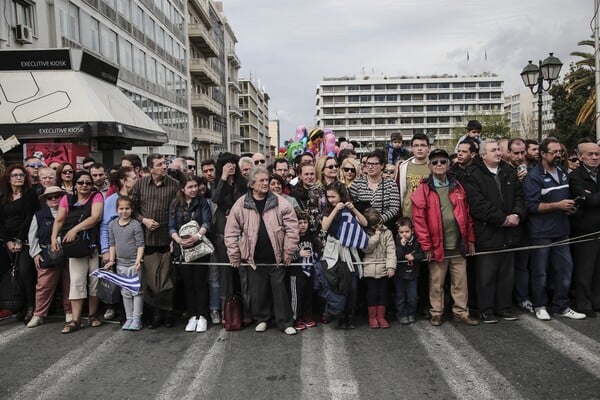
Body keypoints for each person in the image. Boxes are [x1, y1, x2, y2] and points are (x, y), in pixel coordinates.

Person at [224, 166, 299, 335]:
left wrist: (288, 252)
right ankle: (263, 319)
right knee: (258, 292)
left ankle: (285, 322)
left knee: (280, 290)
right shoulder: (241, 203)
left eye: (267, 180)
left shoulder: (280, 202)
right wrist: (234, 254)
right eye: (262, 181)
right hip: (254, 258)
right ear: (252, 184)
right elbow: (231, 231)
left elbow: (292, 229)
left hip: (276, 256)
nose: (266, 184)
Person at [411, 148, 479, 327]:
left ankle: (461, 312)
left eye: (443, 162)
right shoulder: (423, 189)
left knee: (460, 282)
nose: (439, 165)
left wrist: (470, 239)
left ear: (449, 165)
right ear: (429, 166)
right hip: (437, 245)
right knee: (436, 282)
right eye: (435, 162)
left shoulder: (457, 185)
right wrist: (426, 246)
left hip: (458, 243)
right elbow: (419, 221)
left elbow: (467, 215)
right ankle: (437, 312)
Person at [522, 137, 586, 321]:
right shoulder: (533, 177)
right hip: (540, 232)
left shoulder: (563, 173)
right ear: (543, 154)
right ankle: (540, 305)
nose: (558, 155)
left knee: (565, 269)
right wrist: (557, 205)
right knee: (540, 271)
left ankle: (561, 306)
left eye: (560, 152)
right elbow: (531, 206)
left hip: (561, 230)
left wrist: (570, 207)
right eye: (554, 152)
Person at [464, 140, 524, 323]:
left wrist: (516, 214)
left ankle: (504, 308)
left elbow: (520, 197)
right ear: (483, 154)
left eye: (499, 149)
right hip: (487, 232)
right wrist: (502, 219)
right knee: (486, 274)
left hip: (510, 233)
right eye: (493, 150)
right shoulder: (473, 174)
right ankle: (486, 309)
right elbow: (477, 204)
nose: (498, 153)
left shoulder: (509, 171)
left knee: (507, 274)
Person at [51, 170, 104, 333]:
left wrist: (74, 229)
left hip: (92, 246)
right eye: (81, 182)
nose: (84, 185)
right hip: (74, 247)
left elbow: (96, 217)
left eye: (88, 183)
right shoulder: (67, 198)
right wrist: (53, 238)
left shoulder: (96, 196)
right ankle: (75, 320)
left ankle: (93, 315)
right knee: (76, 282)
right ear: (75, 184)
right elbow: (59, 220)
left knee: (94, 281)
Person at [130, 154, 180, 328]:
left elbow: (178, 211)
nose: (164, 167)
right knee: (151, 280)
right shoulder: (141, 184)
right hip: (148, 239)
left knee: (167, 279)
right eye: (159, 165)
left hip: (168, 238)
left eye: (165, 164)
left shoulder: (174, 184)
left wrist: (175, 235)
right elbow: (132, 208)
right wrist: (144, 220)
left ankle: (168, 314)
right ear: (150, 169)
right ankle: (156, 314)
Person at [321, 181, 368, 329]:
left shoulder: (350, 208)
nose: (330, 199)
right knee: (338, 285)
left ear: (341, 195)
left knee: (353, 286)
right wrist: (335, 210)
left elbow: (364, 223)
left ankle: (350, 316)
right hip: (334, 252)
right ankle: (338, 315)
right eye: (328, 197)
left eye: (333, 196)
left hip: (349, 251)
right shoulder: (328, 209)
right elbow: (324, 227)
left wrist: (353, 209)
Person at [169, 175, 212, 332]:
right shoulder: (175, 204)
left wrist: (198, 236)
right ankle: (192, 315)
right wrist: (178, 240)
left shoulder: (203, 202)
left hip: (200, 247)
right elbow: (171, 226)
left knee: (200, 282)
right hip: (182, 248)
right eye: (190, 187)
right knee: (188, 283)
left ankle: (203, 315)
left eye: (195, 186)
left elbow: (207, 221)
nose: (194, 190)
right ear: (182, 188)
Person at [27, 186, 72, 327]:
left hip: (69, 252)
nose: (53, 199)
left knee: (70, 284)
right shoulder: (39, 215)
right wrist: (35, 253)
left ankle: (69, 311)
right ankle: (38, 314)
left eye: (56, 196)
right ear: (45, 200)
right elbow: (32, 236)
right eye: (49, 197)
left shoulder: (70, 212)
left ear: (62, 197)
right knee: (43, 286)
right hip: (47, 254)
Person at [0, 164, 39, 322]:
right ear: (9, 179)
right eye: (15, 175)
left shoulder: (30, 195)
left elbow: (30, 219)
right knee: (7, 274)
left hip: (25, 241)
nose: (19, 178)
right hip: (6, 242)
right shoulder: (3, 197)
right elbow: (1, 222)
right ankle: (13, 306)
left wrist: (18, 240)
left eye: (21, 175)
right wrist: (7, 240)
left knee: (25, 272)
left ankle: (31, 306)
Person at [212, 153, 248, 321]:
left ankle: (246, 311)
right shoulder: (218, 183)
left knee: (243, 274)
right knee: (225, 274)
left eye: (233, 163)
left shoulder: (243, 184)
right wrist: (224, 178)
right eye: (227, 164)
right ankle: (227, 312)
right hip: (222, 234)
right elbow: (216, 199)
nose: (231, 166)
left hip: (242, 232)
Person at [569, 140, 600, 317]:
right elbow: (584, 200)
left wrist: (592, 197)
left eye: (597, 154)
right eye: (590, 154)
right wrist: (589, 198)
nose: (595, 157)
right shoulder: (575, 176)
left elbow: (591, 199)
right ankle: (583, 302)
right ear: (580, 156)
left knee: (598, 269)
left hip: (599, 228)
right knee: (585, 269)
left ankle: (597, 301)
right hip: (584, 229)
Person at [105, 196, 144, 331]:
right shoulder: (112, 225)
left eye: (127, 208)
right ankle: (129, 317)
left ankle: (137, 318)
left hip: (134, 264)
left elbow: (140, 244)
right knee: (125, 292)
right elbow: (112, 244)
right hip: (121, 264)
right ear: (117, 210)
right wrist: (111, 260)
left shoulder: (135, 225)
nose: (124, 211)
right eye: (121, 209)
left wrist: (138, 260)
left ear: (131, 209)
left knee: (136, 292)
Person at [361, 208, 396, 329]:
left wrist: (391, 267)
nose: (380, 226)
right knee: (372, 294)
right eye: (376, 225)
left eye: (381, 223)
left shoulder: (388, 232)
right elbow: (366, 248)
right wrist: (376, 237)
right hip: (370, 269)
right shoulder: (364, 233)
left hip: (383, 268)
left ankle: (381, 316)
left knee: (383, 294)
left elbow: (391, 251)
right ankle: (372, 317)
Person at [348, 149, 400, 229]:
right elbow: (353, 205)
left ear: (382, 165)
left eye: (374, 164)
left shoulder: (391, 184)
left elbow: (394, 208)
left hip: (384, 227)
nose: (370, 167)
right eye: (368, 163)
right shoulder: (357, 183)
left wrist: (378, 221)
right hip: (362, 227)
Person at [289, 210, 321, 330]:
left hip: (309, 272)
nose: (303, 225)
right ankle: (296, 318)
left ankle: (308, 316)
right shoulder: (291, 238)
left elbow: (317, 252)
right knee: (297, 296)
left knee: (308, 295)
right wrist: (298, 254)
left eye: (305, 222)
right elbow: (286, 256)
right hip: (296, 272)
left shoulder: (311, 237)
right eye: (300, 222)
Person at [394, 217, 424, 325]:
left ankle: (411, 313)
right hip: (400, 274)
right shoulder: (397, 241)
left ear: (412, 231)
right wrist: (401, 246)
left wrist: (414, 257)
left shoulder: (417, 241)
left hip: (413, 273)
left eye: (407, 231)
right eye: (401, 232)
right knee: (400, 296)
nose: (404, 234)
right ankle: (401, 314)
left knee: (413, 296)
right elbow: (397, 256)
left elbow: (422, 255)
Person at [396, 133, 431, 218]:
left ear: (429, 148)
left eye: (423, 145)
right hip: (408, 213)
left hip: (429, 213)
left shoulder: (435, 165)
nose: (419, 148)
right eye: (416, 146)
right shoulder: (404, 166)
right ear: (412, 148)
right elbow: (400, 191)